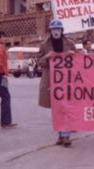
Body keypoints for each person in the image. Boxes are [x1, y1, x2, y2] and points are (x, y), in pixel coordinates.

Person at [38, 19, 76, 147]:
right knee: (57, 109)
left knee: (66, 108)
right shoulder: (44, 45)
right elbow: (40, 63)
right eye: (54, 29)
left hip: (68, 81)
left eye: (58, 29)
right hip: (51, 81)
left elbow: (79, 61)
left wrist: (73, 55)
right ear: (50, 31)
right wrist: (47, 57)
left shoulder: (70, 43)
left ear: (62, 31)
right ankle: (61, 134)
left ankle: (66, 135)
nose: (56, 32)